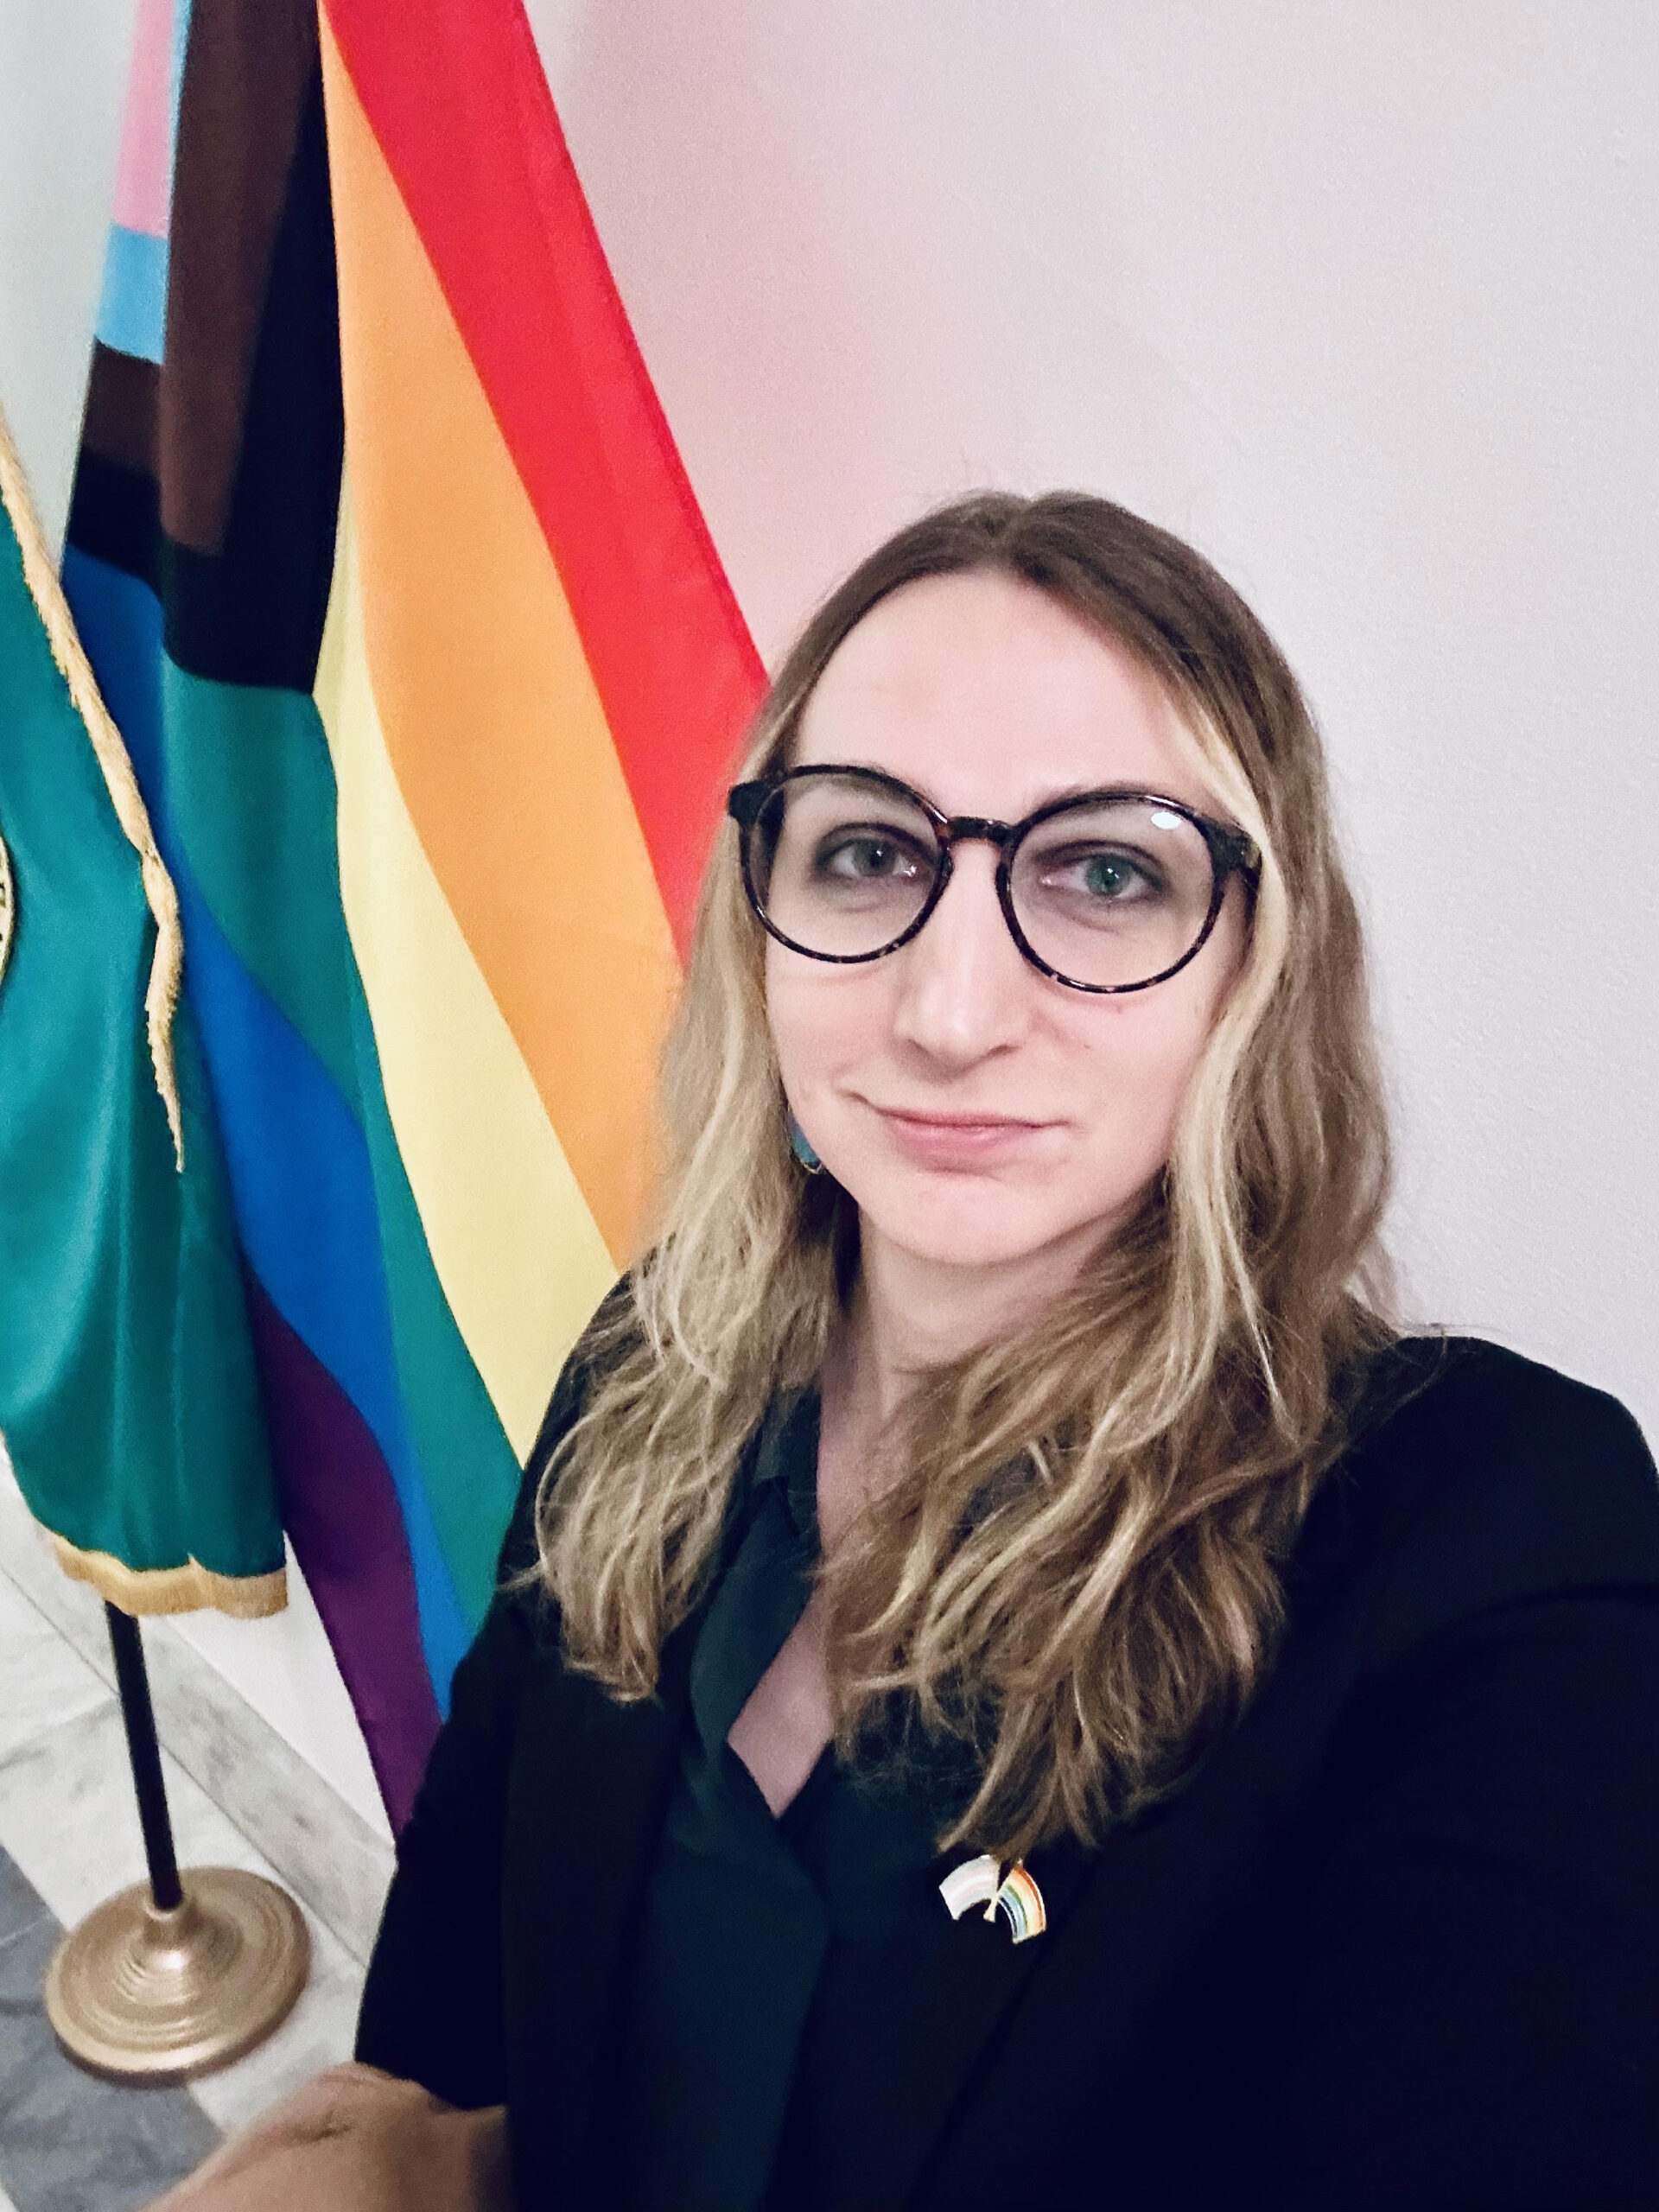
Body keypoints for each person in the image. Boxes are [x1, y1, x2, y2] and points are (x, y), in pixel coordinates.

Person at [353, 492, 1659, 2212]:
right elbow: (458, 1950)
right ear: (759, 915)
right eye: (868, 853)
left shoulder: (1492, 1538)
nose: (950, 1013)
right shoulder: (651, 1362)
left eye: (1108, 872)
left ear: (1258, 965)